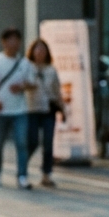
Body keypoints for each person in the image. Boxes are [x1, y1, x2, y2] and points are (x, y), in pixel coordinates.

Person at [0, 27, 38, 189]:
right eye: (11, 40)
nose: (14, 43)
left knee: (22, 143)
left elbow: (33, 83)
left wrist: (22, 87)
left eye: (17, 40)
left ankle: (22, 176)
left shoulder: (25, 63)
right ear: (4, 42)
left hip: (19, 109)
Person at [26, 38, 64, 188]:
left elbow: (57, 90)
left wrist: (63, 108)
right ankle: (22, 168)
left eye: (43, 49)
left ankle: (46, 174)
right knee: (33, 142)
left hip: (48, 109)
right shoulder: (26, 67)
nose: (40, 52)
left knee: (48, 143)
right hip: (31, 109)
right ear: (32, 51)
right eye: (37, 49)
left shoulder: (51, 69)